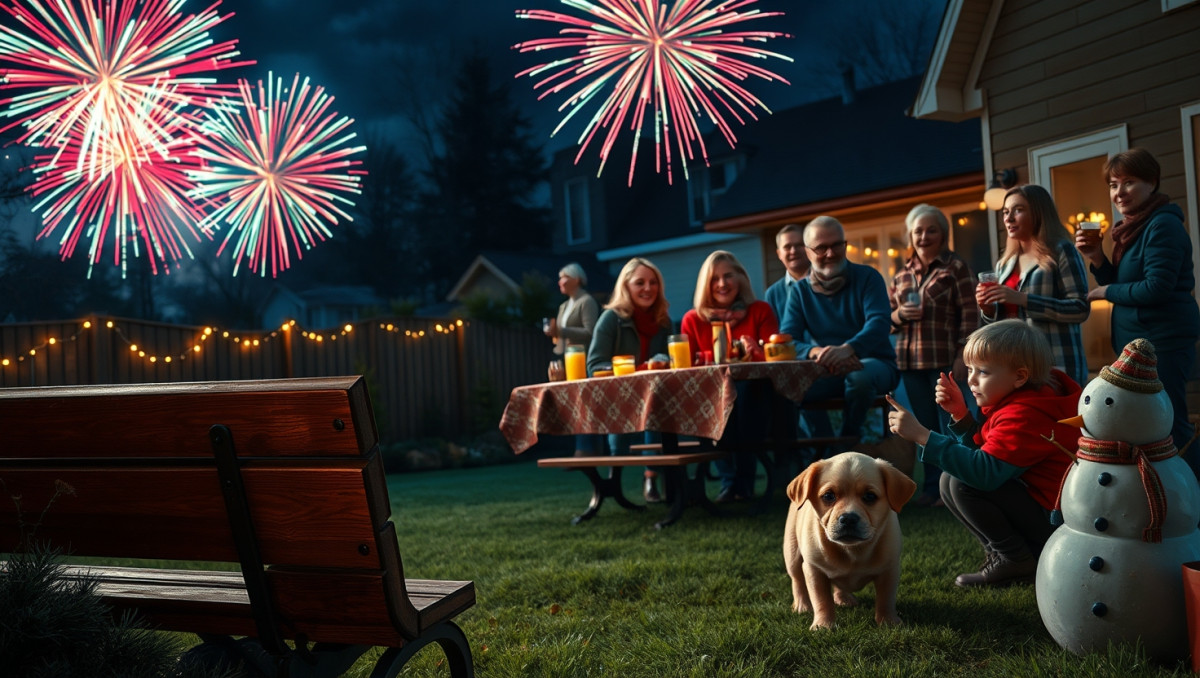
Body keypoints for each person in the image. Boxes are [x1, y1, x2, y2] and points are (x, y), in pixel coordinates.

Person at [885, 320, 1081, 588]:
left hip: (1056, 524)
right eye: (969, 369)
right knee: (951, 479)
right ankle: (1008, 556)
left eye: (983, 372)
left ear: (1020, 376)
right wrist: (960, 415)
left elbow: (984, 473)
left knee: (961, 482)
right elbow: (988, 452)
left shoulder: (1025, 414)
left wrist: (922, 435)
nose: (971, 380)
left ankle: (1016, 559)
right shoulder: (1030, 396)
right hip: (1050, 513)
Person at [1074, 147, 1200, 466]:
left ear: (1152, 182)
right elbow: (1128, 277)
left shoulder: (1162, 225)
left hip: (1163, 341)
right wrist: (1098, 258)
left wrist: (1106, 291)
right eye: (1114, 185)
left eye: (1129, 182)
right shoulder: (1132, 229)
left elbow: (1156, 287)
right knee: (1150, 423)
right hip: (1140, 341)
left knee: (1170, 421)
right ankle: (1165, 496)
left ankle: (1192, 496)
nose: (1119, 192)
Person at [779, 216, 899, 450]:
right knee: (787, 386)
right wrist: (815, 352)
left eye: (837, 245)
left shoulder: (868, 277)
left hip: (877, 365)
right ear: (808, 251)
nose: (830, 253)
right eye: (821, 247)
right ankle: (809, 453)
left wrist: (847, 350)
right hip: (828, 367)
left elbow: (879, 323)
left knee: (859, 378)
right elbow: (787, 341)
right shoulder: (800, 291)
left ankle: (846, 443)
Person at [890, 204, 980, 507]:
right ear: (910, 236)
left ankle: (958, 486)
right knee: (923, 429)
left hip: (944, 361)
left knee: (951, 425)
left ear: (943, 233)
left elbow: (970, 316)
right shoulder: (902, 274)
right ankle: (931, 488)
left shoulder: (956, 268)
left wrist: (962, 358)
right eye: (918, 230)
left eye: (931, 229)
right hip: (909, 363)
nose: (924, 236)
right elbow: (885, 319)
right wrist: (900, 315)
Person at [679, 250, 783, 503]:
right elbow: (688, 367)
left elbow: (775, 359)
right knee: (714, 402)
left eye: (728, 276)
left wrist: (755, 351)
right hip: (710, 398)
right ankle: (729, 482)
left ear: (741, 278)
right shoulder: (692, 319)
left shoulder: (759, 310)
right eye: (715, 278)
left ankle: (744, 481)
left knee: (745, 396)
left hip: (755, 395)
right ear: (706, 284)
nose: (722, 284)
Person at [976, 184, 1090, 388]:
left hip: (1056, 365)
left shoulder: (1061, 251)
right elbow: (1001, 321)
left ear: (1039, 213)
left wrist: (1024, 299)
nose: (1008, 218)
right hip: (1015, 369)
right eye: (1005, 212)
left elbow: (1080, 308)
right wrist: (987, 309)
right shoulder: (1005, 264)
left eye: (1018, 210)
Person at [587, 257, 672, 502]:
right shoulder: (611, 319)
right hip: (619, 396)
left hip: (655, 395)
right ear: (626, 286)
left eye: (653, 282)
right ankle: (615, 482)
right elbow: (594, 365)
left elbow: (672, 357)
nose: (648, 288)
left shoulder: (663, 320)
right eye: (640, 283)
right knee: (623, 415)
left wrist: (663, 359)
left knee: (658, 407)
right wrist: (634, 370)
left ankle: (652, 477)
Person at [545, 262, 602, 457]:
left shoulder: (587, 302)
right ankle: (583, 449)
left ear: (577, 279)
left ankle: (585, 450)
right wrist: (555, 335)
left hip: (584, 360)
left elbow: (591, 331)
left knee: (584, 405)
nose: (560, 281)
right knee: (574, 405)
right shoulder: (563, 306)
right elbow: (562, 335)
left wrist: (559, 330)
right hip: (569, 360)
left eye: (564, 277)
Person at [763, 223, 810, 320]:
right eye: (787, 247)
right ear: (779, 254)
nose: (793, 251)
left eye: (799, 245)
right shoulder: (773, 294)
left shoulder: (825, 282)